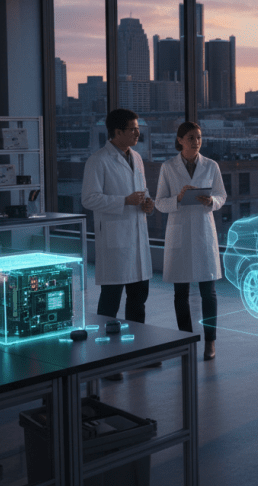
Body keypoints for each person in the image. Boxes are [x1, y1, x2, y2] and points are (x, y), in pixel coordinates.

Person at [81, 109, 154, 376]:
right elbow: (89, 199)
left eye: (137, 129)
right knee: (110, 303)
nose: (137, 133)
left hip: (136, 235)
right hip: (115, 239)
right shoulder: (98, 161)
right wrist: (124, 201)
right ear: (117, 132)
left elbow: (141, 192)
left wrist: (147, 204)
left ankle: (137, 354)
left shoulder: (137, 158)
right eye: (133, 129)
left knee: (138, 299)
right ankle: (106, 360)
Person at [155, 122, 227, 361]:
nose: (196, 141)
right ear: (180, 140)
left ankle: (210, 342)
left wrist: (211, 202)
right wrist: (179, 198)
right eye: (191, 137)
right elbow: (159, 203)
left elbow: (222, 196)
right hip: (180, 231)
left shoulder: (211, 166)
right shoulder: (168, 167)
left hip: (203, 230)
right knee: (181, 293)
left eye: (199, 137)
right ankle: (185, 340)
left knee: (209, 293)